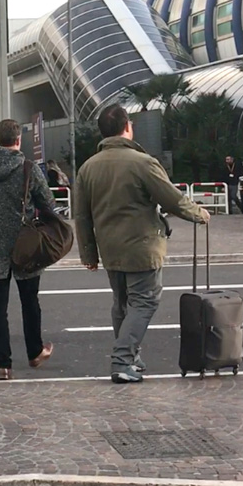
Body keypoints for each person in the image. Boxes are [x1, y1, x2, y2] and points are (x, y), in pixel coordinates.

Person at [73, 104, 210, 385]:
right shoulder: (142, 162)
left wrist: (88, 253)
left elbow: (81, 216)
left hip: (109, 248)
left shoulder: (87, 168)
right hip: (142, 247)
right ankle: (122, 360)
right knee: (144, 301)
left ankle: (131, 358)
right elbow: (171, 197)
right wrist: (199, 213)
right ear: (127, 127)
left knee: (121, 304)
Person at [0, 119, 57, 381]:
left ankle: (3, 365)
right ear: (18, 140)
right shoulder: (28, 168)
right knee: (30, 301)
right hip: (25, 244)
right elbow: (47, 202)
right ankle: (35, 352)